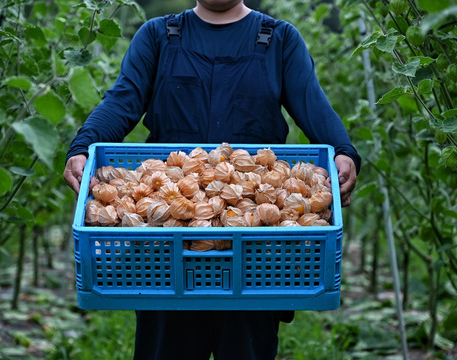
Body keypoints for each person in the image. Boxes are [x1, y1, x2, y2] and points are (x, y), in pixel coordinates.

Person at [63, 1, 361, 359]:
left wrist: (343, 151)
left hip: (254, 246)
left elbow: (314, 106)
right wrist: (83, 146)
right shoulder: (159, 36)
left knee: (246, 347)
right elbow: (122, 101)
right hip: (167, 242)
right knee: (166, 347)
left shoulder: (279, 39)